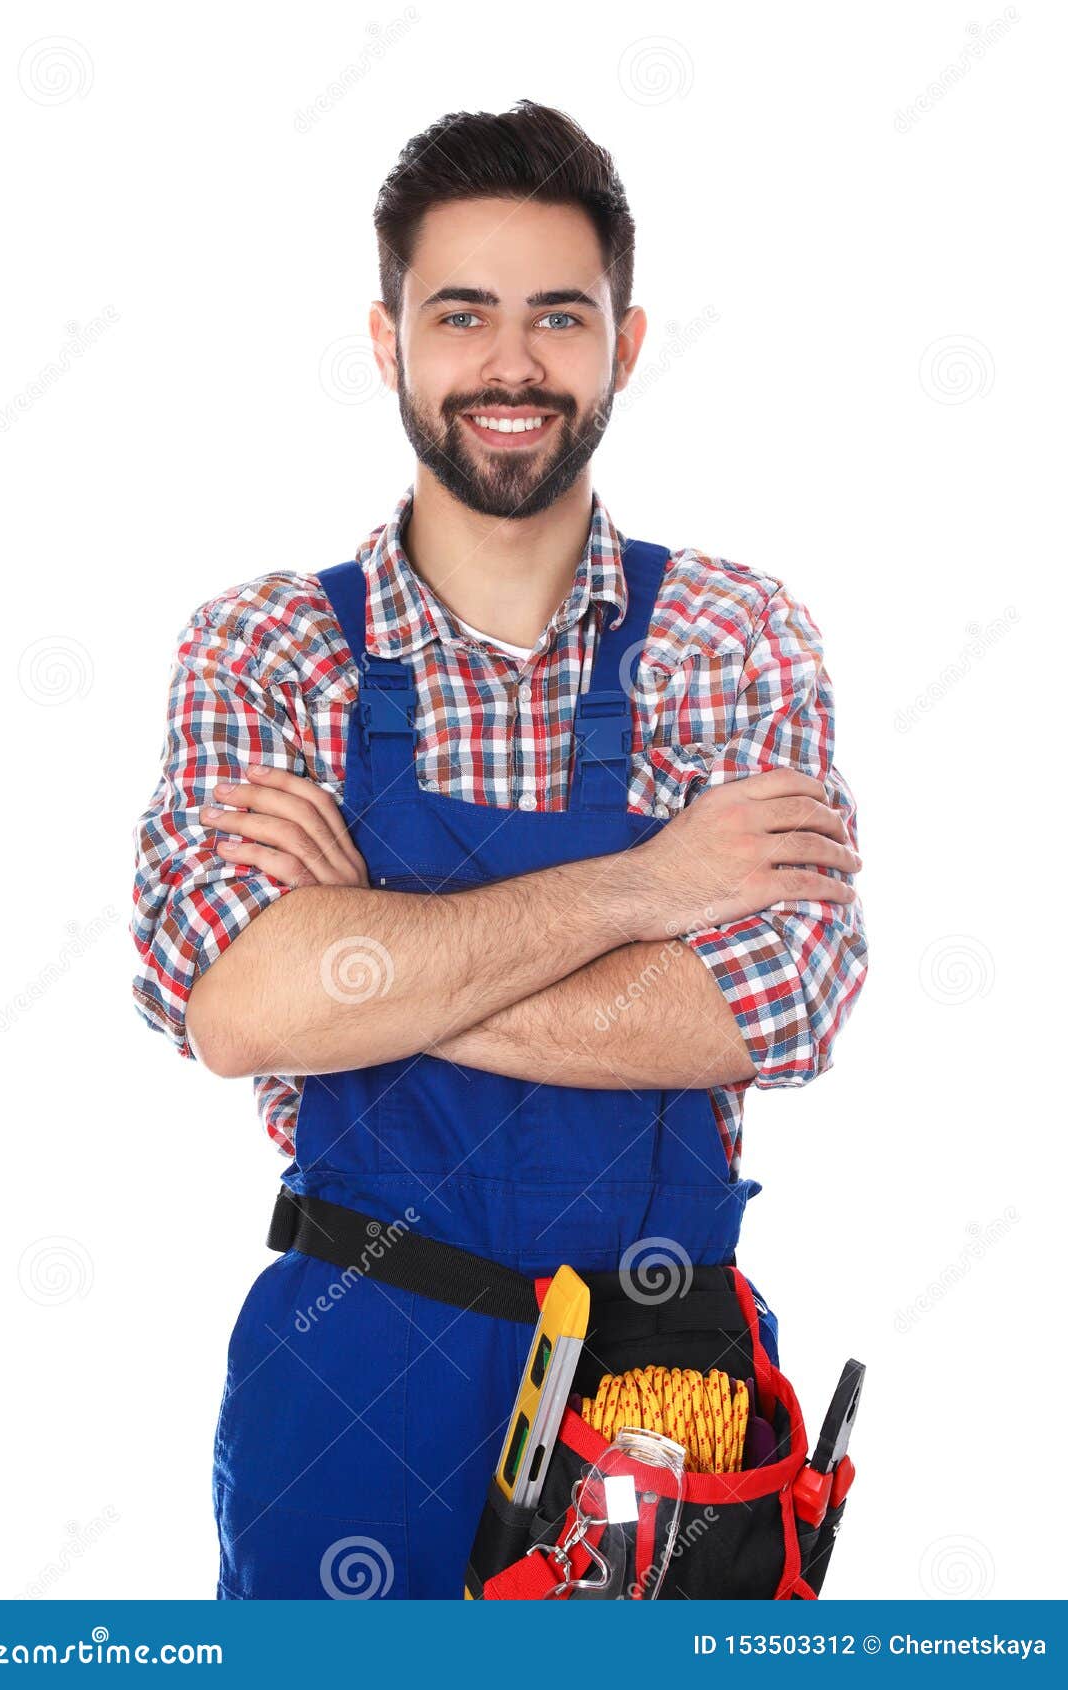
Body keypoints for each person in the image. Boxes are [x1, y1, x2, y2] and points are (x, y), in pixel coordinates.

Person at [130, 99, 868, 1600]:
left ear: (628, 341)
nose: (511, 362)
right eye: (462, 313)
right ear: (391, 338)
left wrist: (357, 939)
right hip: (351, 1366)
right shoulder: (265, 649)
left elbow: (772, 1006)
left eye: (559, 316)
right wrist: (647, 885)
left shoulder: (731, 633)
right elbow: (232, 1008)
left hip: (667, 1390)